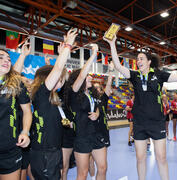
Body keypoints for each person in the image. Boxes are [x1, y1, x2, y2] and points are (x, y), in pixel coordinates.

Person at [104, 35, 177, 180]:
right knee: (140, 158)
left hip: (157, 122)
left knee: (161, 158)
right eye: (137, 59)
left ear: (149, 62)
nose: (138, 61)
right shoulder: (134, 75)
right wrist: (113, 44)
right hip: (139, 123)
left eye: (141, 59)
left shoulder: (159, 74)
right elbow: (118, 66)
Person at [29, 29, 77, 180]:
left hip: (50, 151)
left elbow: (58, 72)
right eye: (58, 79)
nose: (61, 81)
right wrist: (68, 46)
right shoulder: (41, 95)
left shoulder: (50, 98)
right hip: (45, 153)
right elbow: (57, 71)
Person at [64, 44, 99, 180]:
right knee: (82, 173)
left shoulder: (89, 94)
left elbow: (97, 107)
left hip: (94, 134)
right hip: (82, 137)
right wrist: (93, 54)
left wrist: (97, 113)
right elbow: (83, 74)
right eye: (87, 76)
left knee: (95, 167)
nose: (90, 77)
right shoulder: (74, 93)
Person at [0, 49, 32, 179]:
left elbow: (27, 111)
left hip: (10, 149)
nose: (6, 61)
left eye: (8, 59)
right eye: (1, 57)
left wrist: (25, 132)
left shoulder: (16, 83)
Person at [92, 61, 114, 180]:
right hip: (90, 135)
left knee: (102, 167)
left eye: (98, 88)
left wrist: (110, 71)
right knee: (88, 167)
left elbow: (109, 84)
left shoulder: (103, 99)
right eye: (93, 88)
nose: (96, 90)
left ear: (101, 90)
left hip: (103, 133)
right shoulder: (87, 101)